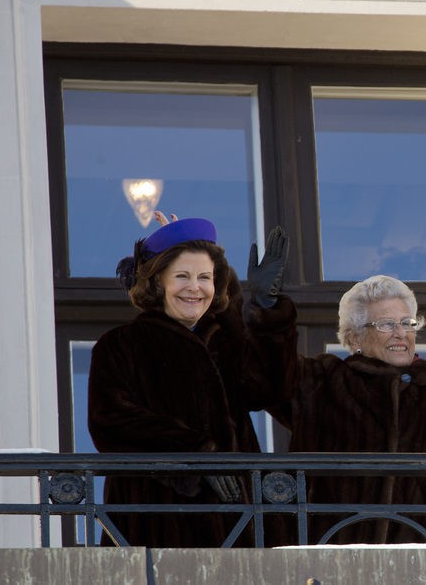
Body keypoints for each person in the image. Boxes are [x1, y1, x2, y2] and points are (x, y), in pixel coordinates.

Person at [87, 216, 291, 547]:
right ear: (157, 283)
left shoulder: (227, 342)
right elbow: (110, 422)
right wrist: (195, 454)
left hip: (236, 523)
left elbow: (271, 389)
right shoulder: (122, 343)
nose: (195, 287)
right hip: (155, 518)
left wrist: (266, 309)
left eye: (205, 277)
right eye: (182, 276)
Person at [256, 274, 426, 544]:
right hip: (334, 564)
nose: (400, 333)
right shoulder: (322, 382)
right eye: (386, 324)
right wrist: (270, 314)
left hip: (423, 567)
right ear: (356, 337)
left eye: (407, 323)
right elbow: (270, 381)